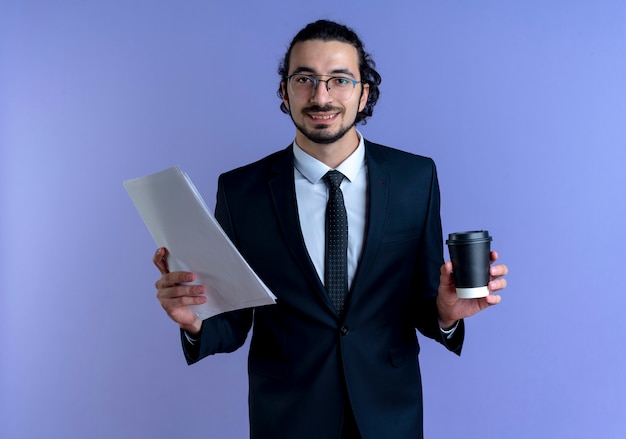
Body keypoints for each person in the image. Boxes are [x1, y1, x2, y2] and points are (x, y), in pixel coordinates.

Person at [153, 19, 508, 439]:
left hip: (389, 413)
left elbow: (421, 300)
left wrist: (446, 314)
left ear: (364, 93)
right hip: (287, 417)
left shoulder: (416, 178)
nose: (321, 96)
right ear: (284, 92)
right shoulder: (240, 191)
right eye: (305, 79)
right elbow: (232, 321)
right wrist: (194, 320)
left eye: (340, 80)